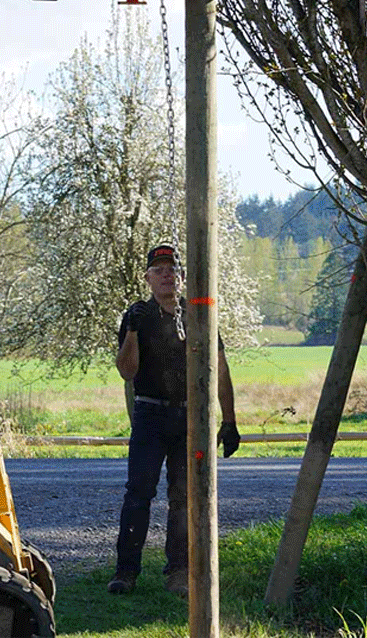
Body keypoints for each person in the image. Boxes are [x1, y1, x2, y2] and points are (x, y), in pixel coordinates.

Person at [107, 243, 241, 597]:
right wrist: (132, 331)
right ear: (148, 278)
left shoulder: (198, 315)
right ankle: (126, 572)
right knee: (138, 494)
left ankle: (179, 572)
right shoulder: (137, 315)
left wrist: (229, 421)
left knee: (184, 497)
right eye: (159, 270)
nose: (166, 276)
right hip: (150, 415)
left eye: (172, 270)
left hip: (189, 417)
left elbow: (220, 369)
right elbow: (127, 371)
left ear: (181, 278)